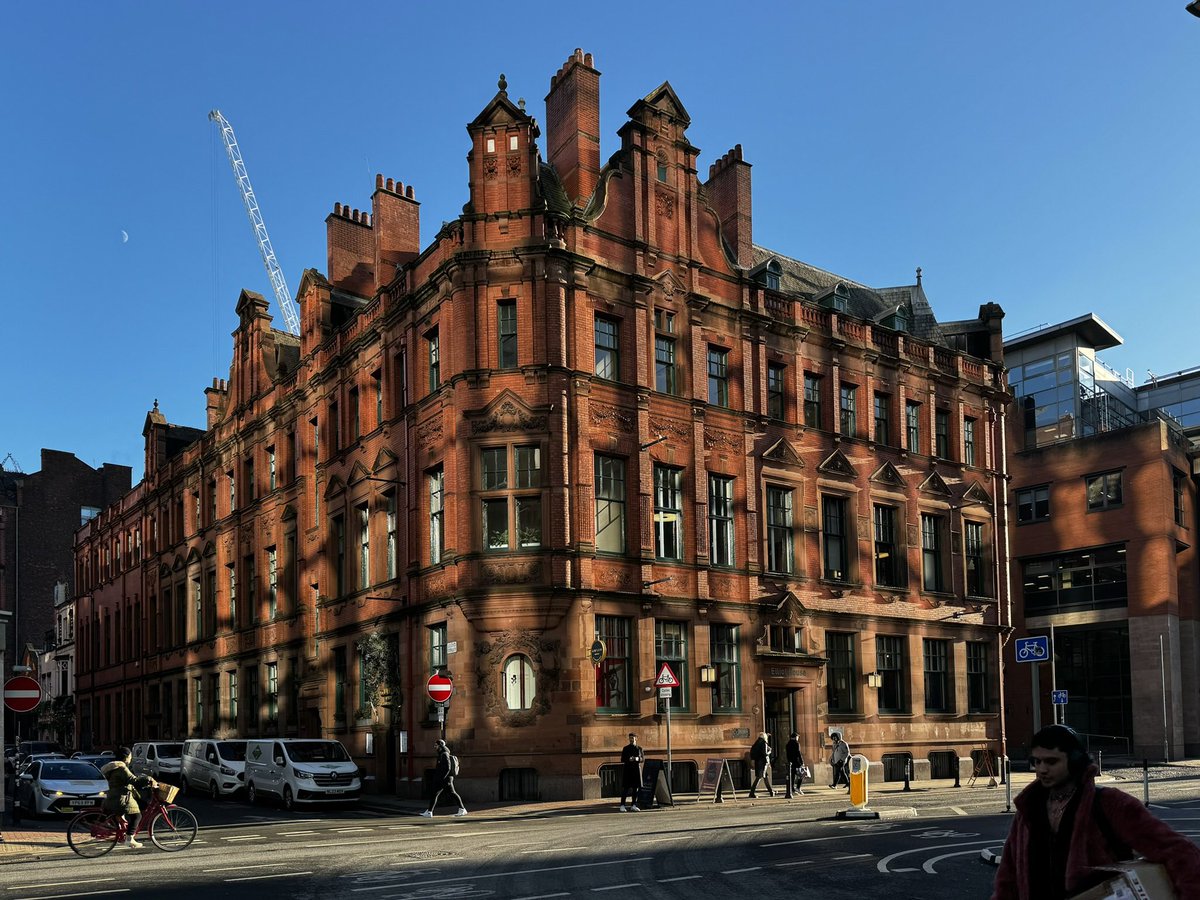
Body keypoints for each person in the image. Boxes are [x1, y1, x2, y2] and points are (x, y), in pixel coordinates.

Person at [992, 724, 1200, 900]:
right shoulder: (1029, 808)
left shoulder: (1109, 802)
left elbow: (1179, 851)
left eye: (1051, 761)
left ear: (1074, 761)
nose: (1042, 769)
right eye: (1037, 761)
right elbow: (1008, 878)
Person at [100, 746, 156, 849]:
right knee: (137, 816)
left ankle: (124, 834)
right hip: (121, 798)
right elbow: (133, 780)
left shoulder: (115, 767)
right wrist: (147, 779)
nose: (131, 758)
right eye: (130, 756)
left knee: (138, 805)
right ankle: (129, 839)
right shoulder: (122, 768)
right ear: (126, 757)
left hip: (114, 797)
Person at [421, 739, 467, 818]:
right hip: (443, 779)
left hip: (446, 779)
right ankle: (429, 811)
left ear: (440, 746)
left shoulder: (444, 754)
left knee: (452, 793)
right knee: (435, 794)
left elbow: (447, 768)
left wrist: (441, 778)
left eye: (436, 745)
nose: (435, 747)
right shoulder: (441, 754)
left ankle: (462, 809)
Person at [618, 733, 643, 812]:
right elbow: (622, 759)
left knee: (635, 789)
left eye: (633, 738)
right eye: (630, 738)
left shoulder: (639, 748)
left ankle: (633, 805)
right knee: (625, 788)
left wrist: (636, 759)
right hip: (628, 770)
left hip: (636, 770)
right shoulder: (625, 748)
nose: (631, 739)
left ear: (636, 738)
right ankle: (622, 805)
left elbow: (642, 759)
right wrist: (629, 759)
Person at [748, 732, 775, 798]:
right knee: (759, 777)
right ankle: (752, 793)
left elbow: (752, 752)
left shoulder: (756, 743)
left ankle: (771, 791)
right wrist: (769, 752)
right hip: (762, 763)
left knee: (765, 777)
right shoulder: (764, 743)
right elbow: (764, 753)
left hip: (758, 762)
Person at [785, 731, 805, 798]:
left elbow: (787, 754)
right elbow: (798, 753)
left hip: (790, 762)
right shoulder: (796, 743)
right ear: (795, 737)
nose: (798, 738)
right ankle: (798, 787)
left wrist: (788, 761)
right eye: (797, 737)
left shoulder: (788, 744)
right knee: (801, 775)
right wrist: (802, 762)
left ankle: (792, 789)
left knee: (792, 776)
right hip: (797, 762)